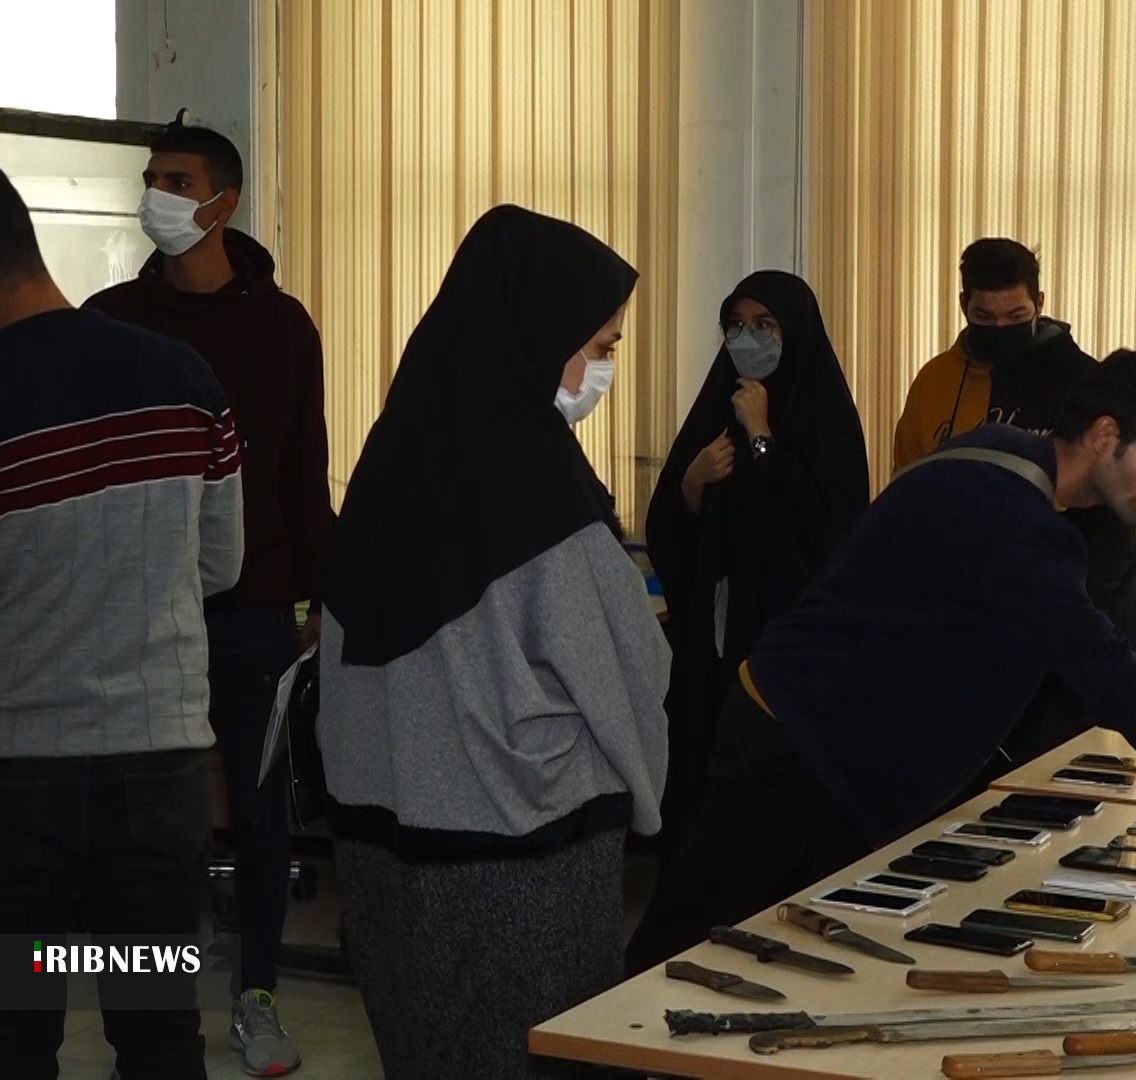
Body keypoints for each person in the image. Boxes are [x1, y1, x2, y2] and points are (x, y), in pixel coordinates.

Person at [627, 349, 1136, 974]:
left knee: (783, 953)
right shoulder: (1020, 526)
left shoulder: (995, 452)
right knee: (681, 954)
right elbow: (1116, 681)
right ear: (1105, 434)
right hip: (797, 748)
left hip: (804, 732)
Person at [318, 205, 669, 1080]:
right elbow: (627, 673)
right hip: (523, 863)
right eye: (599, 346)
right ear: (536, 334)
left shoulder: (389, 462)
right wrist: (650, 803)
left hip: (379, 853)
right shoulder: (542, 492)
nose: (602, 369)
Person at [83, 115, 332, 1077]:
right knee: (144, 826)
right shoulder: (109, 320)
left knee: (259, 819)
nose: (157, 195)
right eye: (151, 178)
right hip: (135, 615)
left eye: (177, 182)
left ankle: (255, 996)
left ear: (223, 202)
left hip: (253, 612)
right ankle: (152, 1010)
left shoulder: (281, 325)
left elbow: (301, 473)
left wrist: (319, 599)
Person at [0, 166, 242, 1080]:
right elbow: (220, 564)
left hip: (20, 785)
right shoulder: (184, 376)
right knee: (158, 1033)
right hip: (159, 777)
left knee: (19, 1029)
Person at [894, 237, 1136, 781]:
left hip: (1082, 589)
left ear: (1039, 302)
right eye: (984, 316)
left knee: (1080, 767)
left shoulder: (1085, 384)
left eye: (1015, 315)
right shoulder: (935, 382)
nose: (1000, 328)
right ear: (963, 306)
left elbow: (1121, 503)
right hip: (971, 609)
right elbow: (911, 488)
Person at [645, 271, 868, 844]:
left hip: (794, 651)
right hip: (720, 644)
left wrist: (762, 435)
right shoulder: (716, 408)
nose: (748, 339)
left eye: (765, 325)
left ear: (794, 331)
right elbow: (668, 532)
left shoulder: (827, 420)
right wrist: (691, 485)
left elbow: (822, 530)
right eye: (736, 325)